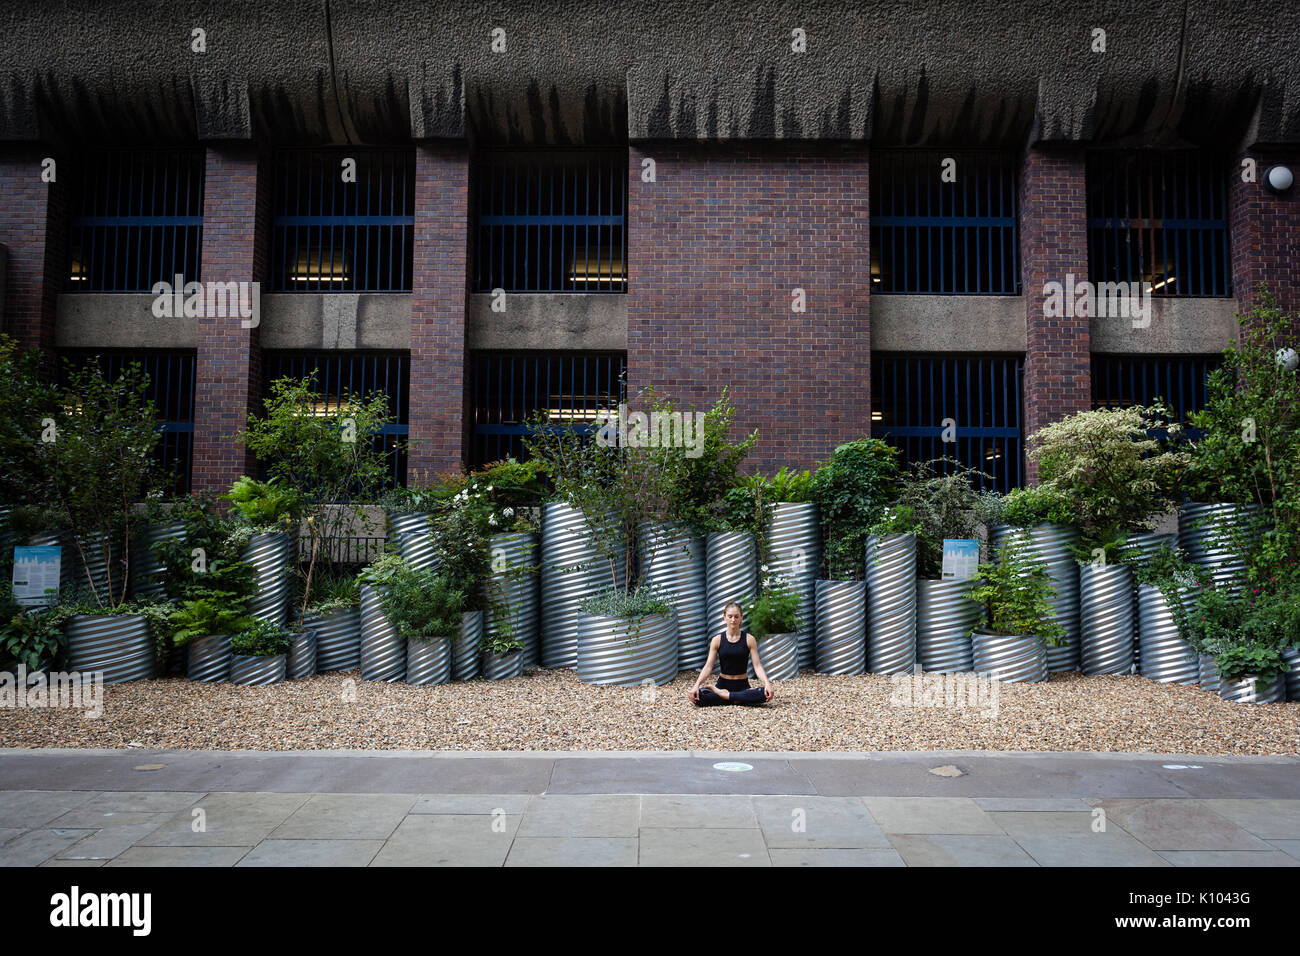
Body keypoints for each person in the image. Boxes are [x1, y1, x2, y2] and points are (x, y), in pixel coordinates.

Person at [689, 602, 774, 706]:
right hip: (722, 684)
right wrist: (696, 685)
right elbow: (708, 666)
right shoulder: (717, 640)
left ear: (741, 618)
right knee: (698, 697)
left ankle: (725, 696)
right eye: (730, 616)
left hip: (742, 685)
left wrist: (767, 683)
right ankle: (739, 699)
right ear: (724, 617)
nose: (733, 620)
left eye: (736, 616)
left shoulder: (749, 639)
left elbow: (757, 666)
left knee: (764, 694)